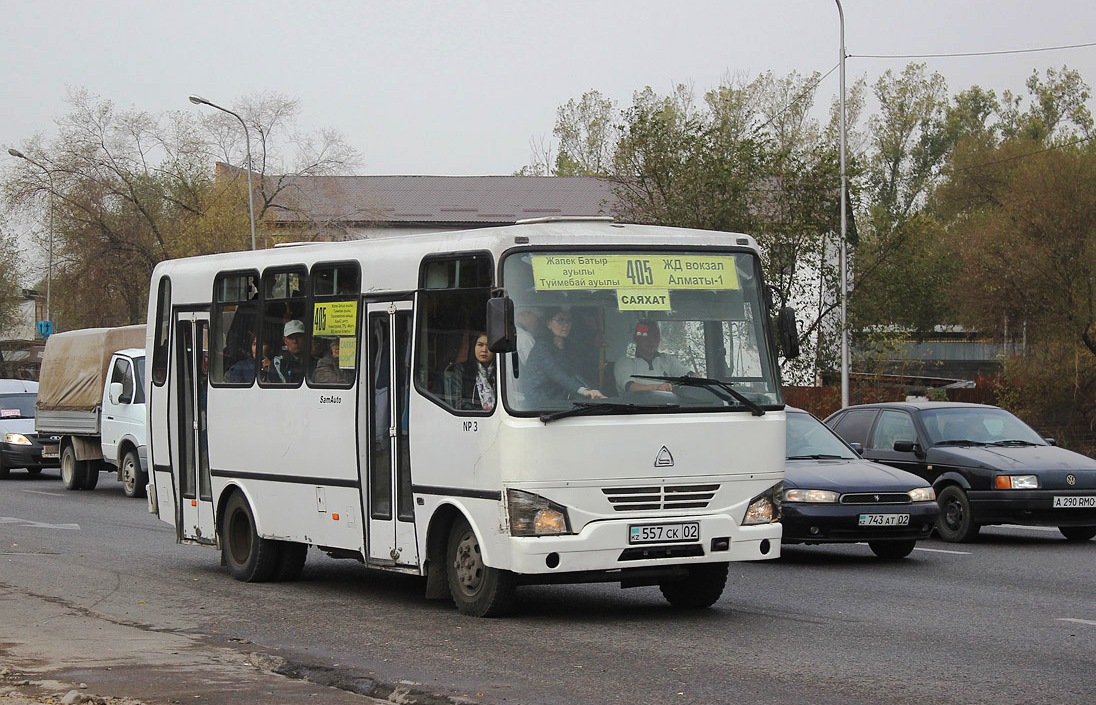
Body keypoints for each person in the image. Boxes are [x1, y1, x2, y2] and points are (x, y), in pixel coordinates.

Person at [523, 308, 606, 403]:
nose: (566, 325)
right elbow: (557, 373)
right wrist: (584, 391)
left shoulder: (570, 346)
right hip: (539, 404)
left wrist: (592, 390)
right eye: (560, 320)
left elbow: (575, 373)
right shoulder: (541, 348)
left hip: (561, 399)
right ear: (549, 324)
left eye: (568, 320)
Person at [614, 320, 692, 394]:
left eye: (655, 335)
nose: (651, 340)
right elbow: (630, 387)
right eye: (646, 335)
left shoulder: (667, 359)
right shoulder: (625, 362)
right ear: (636, 338)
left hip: (671, 406)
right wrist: (657, 388)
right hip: (635, 406)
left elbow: (689, 375)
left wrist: (696, 378)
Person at [444, 332, 497, 411]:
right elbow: (457, 404)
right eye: (480, 345)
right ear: (473, 347)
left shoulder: (501, 373)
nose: (484, 350)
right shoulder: (462, 370)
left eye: (489, 346)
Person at [270, 319, 307, 384]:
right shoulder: (278, 363)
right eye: (291, 338)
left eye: (298, 336)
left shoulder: (314, 360)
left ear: (305, 337)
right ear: (285, 340)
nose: (295, 341)